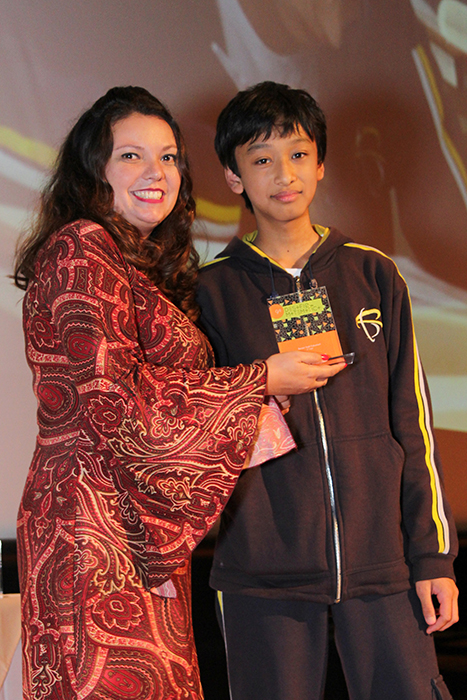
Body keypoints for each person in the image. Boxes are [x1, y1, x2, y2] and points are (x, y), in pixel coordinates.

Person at [13, 86, 344, 700]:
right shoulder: (82, 248)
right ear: (94, 169)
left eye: (168, 157)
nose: (156, 172)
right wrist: (258, 381)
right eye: (131, 156)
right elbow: (116, 405)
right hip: (93, 527)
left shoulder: (129, 262)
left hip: (134, 520)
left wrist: (255, 401)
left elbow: (155, 396)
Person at [196, 80, 460, 700]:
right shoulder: (208, 292)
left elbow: (413, 424)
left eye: (297, 154)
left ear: (321, 164)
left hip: (383, 562)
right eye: (261, 159)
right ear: (234, 177)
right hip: (261, 567)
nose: (283, 174)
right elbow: (194, 422)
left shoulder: (374, 273)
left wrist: (432, 558)